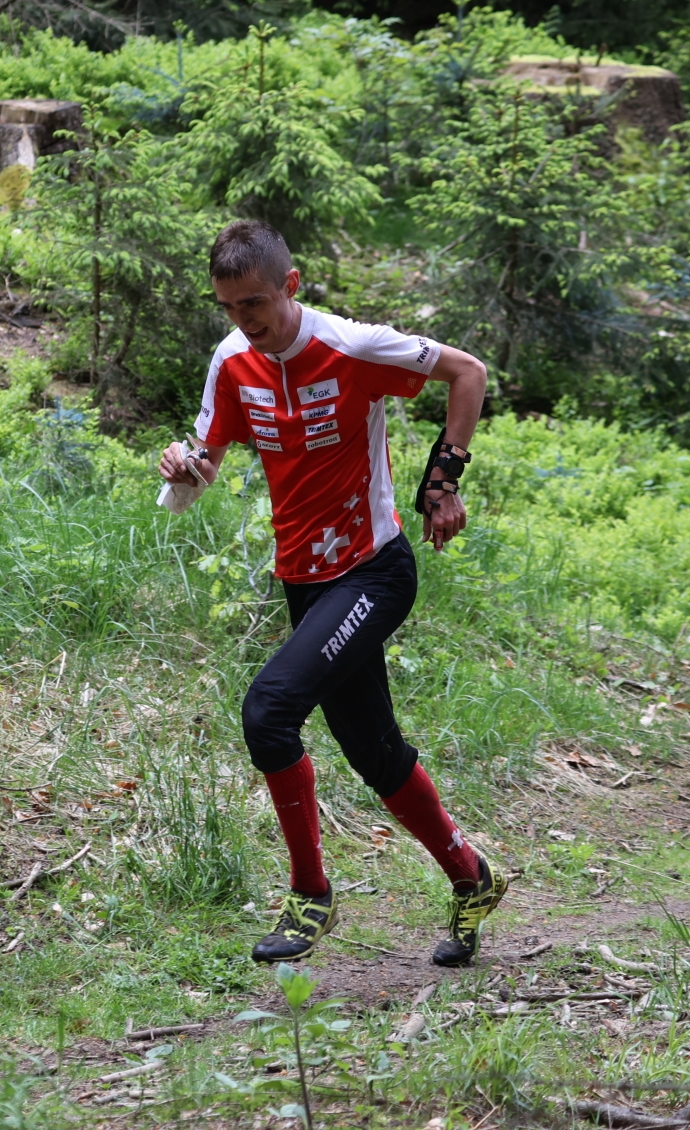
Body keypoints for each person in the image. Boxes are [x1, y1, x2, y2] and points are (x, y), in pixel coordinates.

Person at [157, 219, 507, 967]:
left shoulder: (352, 346)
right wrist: (184, 467)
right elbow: (208, 457)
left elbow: (468, 372)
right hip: (304, 580)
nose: (244, 322)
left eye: (255, 304)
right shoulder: (232, 361)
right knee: (374, 752)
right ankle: (471, 876)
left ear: (291, 284)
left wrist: (441, 482)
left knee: (269, 710)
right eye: (229, 308)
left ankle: (310, 895)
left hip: (373, 572)